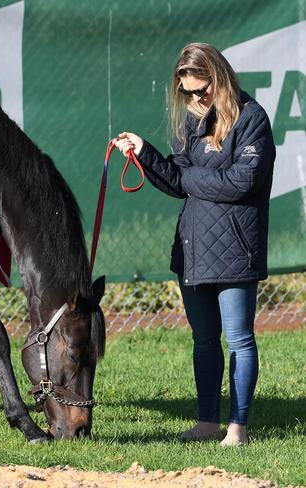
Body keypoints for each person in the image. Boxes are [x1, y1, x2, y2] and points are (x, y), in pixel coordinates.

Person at [114, 42, 275, 446]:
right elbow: (176, 180)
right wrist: (145, 154)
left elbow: (244, 182)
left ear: (219, 78)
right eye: (187, 92)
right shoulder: (191, 121)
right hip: (193, 249)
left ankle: (237, 428)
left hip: (237, 249)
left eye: (201, 89)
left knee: (239, 339)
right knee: (204, 341)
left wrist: (188, 181)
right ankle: (207, 423)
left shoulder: (252, 118)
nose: (195, 98)